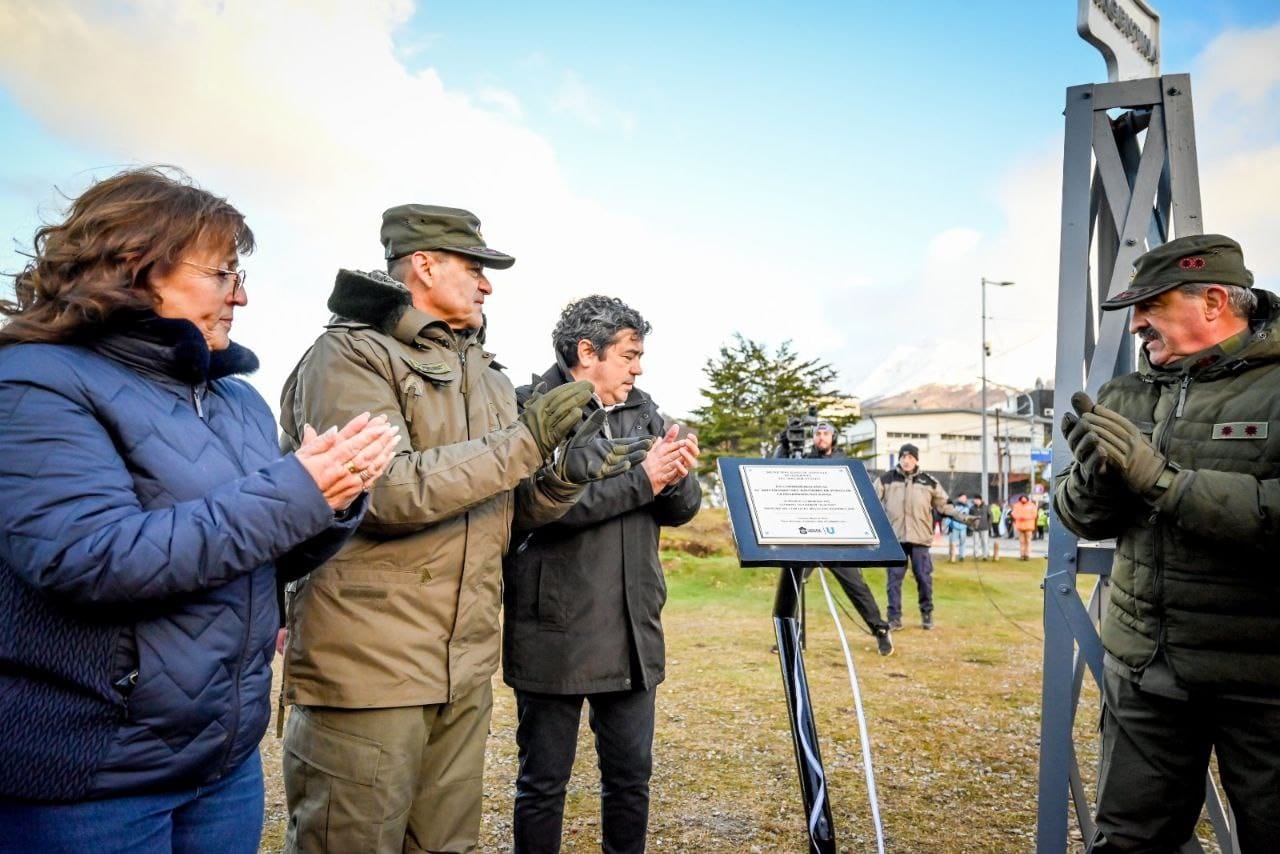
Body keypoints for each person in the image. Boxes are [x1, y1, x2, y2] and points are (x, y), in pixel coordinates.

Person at [0, 167, 397, 852]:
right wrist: (297, 492)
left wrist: (334, 499)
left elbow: (257, 552)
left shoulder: (237, 399)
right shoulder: (35, 383)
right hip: (96, 775)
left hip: (220, 761)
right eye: (222, 274)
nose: (241, 294)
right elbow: (88, 559)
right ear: (138, 269)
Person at [277, 206, 649, 853]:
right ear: (423, 265)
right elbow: (383, 490)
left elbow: (504, 510)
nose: (487, 285)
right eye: (475, 268)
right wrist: (527, 442)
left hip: (463, 665)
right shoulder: (350, 355)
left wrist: (561, 477)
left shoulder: (486, 374)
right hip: (371, 668)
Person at [1055, 233, 1280, 850]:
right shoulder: (1129, 394)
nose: (1135, 326)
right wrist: (1097, 482)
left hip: (1261, 680)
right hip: (1146, 670)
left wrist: (1161, 480)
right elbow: (1081, 518)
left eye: (1150, 305)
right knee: (1130, 839)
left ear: (1213, 301)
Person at [503, 295, 702, 853]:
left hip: (633, 629)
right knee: (542, 783)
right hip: (554, 629)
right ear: (586, 352)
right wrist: (645, 480)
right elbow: (542, 505)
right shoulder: (528, 409)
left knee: (631, 780)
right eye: (630, 355)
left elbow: (679, 508)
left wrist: (679, 474)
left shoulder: (647, 411)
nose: (639, 368)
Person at [802, 422, 894, 655]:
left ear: (833, 437)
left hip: (837, 539)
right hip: (807, 537)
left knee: (856, 586)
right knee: (792, 584)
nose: (821, 438)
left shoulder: (847, 464)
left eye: (825, 434)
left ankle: (880, 630)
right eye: (817, 434)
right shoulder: (802, 461)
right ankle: (790, 634)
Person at [874, 443, 972, 630]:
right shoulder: (886, 480)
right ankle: (894, 618)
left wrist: (964, 518)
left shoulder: (929, 482)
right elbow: (870, 500)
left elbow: (944, 506)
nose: (906, 460)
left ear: (916, 460)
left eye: (910, 457)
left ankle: (926, 613)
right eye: (903, 457)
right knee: (893, 581)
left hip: (920, 540)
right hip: (895, 540)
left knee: (923, 578)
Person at [1010, 494, 1038, 560]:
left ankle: (1027, 555)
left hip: (1029, 526)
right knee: (1021, 542)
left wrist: (1025, 517)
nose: (1023, 500)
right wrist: (1019, 517)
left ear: (1027, 499)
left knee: (1028, 541)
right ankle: (1022, 555)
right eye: (1022, 499)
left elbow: (1034, 515)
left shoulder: (1032, 505)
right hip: (1020, 526)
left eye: (1024, 499)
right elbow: (1013, 514)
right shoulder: (1016, 505)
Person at [945, 492, 971, 562]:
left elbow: (968, 517)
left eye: (965, 498)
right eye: (964, 497)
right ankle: (951, 556)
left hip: (963, 527)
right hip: (954, 526)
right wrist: (947, 525)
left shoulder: (967, 507)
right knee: (953, 542)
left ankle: (962, 556)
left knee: (963, 542)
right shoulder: (953, 505)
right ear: (959, 498)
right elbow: (949, 515)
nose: (965, 499)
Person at [970, 495, 992, 560]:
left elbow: (990, 516)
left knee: (985, 542)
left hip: (984, 528)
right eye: (975, 500)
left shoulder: (986, 507)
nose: (976, 501)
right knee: (975, 542)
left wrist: (989, 525)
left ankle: (985, 555)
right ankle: (976, 555)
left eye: (977, 500)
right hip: (975, 528)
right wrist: (971, 525)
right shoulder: (972, 508)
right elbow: (970, 517)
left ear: (980, 500)